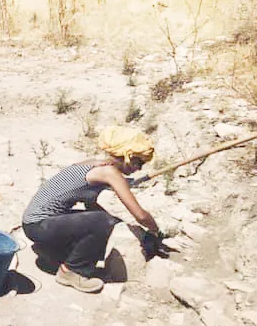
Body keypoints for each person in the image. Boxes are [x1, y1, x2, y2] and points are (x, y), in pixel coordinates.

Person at [21, 125, 161, 294]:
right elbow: (140, 215)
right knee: (104, 221)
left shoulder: (92, 163)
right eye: (138, 162)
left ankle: (52, 250)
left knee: (103, 220)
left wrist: (116, 224)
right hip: (39, 226)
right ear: (128, 156)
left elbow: (90, 204)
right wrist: (156, 230)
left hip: (33, 223)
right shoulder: (109, 172)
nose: (138, 169)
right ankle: (72, 272)